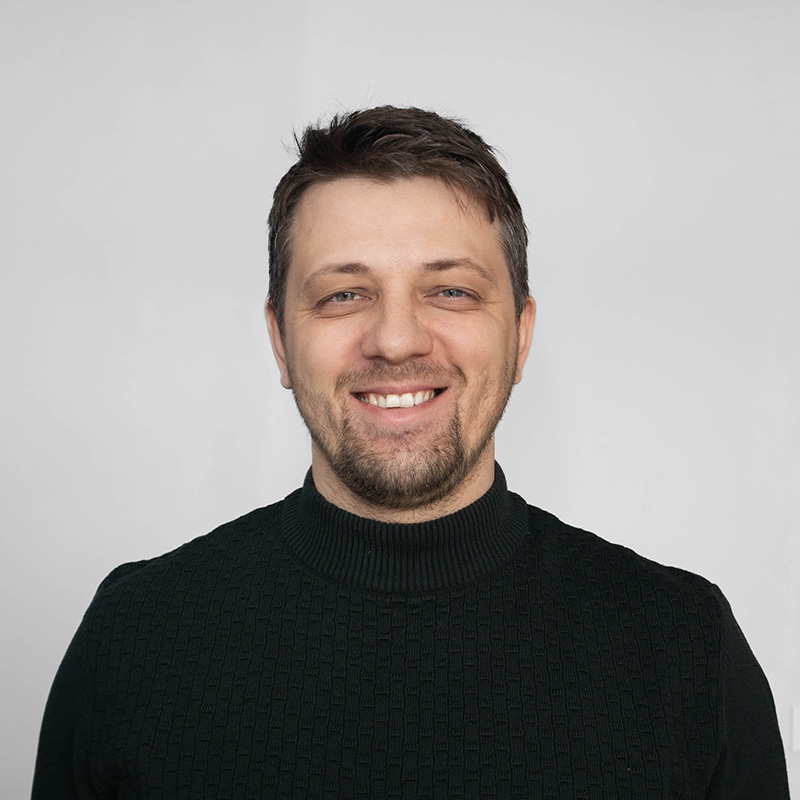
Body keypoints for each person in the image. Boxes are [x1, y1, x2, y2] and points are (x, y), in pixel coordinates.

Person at [32, 106, 789, 799]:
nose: (395, 339)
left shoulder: (682, 646)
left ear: (521, 336)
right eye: (342, 295)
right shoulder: (135, 639)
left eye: (452, 292)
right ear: (280, 342)